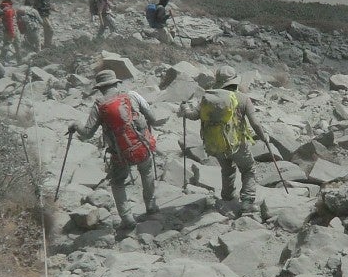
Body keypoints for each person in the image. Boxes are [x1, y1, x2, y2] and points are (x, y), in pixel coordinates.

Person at [70, 68, 161, 230]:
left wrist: (75, 125)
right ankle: (151, 206)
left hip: (120, 153)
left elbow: (86, 134)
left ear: (100, 88)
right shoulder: (131, 96)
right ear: (116, 83)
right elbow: (153, 118)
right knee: (146, 172)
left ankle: (127, 218)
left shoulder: (99, 106)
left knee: (118, 182)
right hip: (141, 146)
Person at [182, 66, 267, 212]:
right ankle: (247, 201)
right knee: (248, 169)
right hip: (238, 144)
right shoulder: (243, 98)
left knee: (227, 169)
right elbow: (255, 123)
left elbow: (194, 115)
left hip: (216, 144)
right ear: (234, 81)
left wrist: (184, 110)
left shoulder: (208, 98)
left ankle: (227, 197)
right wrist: (264, 138)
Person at [0, 0, 19, 64]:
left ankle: (2, 59)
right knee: (15, 44)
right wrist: (12, 32)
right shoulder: (9, 9)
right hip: (11, 29)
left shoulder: (1, 7)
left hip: (4, 29)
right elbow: (10, 21)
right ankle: (19, 60)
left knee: (6, 44)